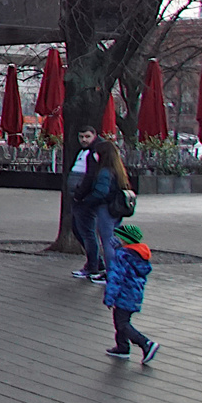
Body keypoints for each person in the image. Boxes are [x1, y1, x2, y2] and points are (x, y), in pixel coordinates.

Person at [70, 129, 124, 283]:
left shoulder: (105, 171)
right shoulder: (116, 169)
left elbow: (101, 191)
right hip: (114, 208)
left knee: (107, 241)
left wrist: (87, 200)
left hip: (106, 208)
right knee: (111, 240)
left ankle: (110, 273)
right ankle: (112, 271)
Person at [103, 223, 159, 362]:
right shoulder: (138, 254)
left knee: (122, 323)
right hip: (135, 294)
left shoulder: (121, 255)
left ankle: (146, 344)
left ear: (125, 240)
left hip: (124, 294)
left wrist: (109, 297)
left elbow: (116, 277)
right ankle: (122, 347)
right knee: (120, 320)